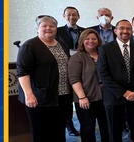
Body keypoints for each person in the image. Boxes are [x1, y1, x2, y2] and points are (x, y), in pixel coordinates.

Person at [17, 15, 70, 142]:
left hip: (62, 96)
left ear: (56, 28)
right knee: (42, 133)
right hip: (40, 98)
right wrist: (29, 94)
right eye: (44, 26)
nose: (48, 28)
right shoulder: (30, 45)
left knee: (59, 130)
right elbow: (22, 72)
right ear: (37, 28)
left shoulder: (61, 43)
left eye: (52, 26)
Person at [98, 20, 134, 142]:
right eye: (121, 28)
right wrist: (124, 93)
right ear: (115, 31)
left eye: (128, 29)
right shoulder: (105, 49)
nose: (125, 31)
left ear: (131, 31)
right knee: (115, 131)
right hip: (114, 97)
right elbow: (104, 75)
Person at [68, 29, 109, 142]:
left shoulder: (103, 54)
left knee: (106, 126)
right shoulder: (77, 57)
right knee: (88, 128)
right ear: (82, 40)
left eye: (94, 39)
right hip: (86, 98)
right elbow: (74, 79)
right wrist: (82, 97)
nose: (91, 41)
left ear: (98, 40)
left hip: (105, 97)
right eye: (87, 39)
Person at [55, 6, 83, 136]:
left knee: (80, 95)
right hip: (64, 68)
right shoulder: (57, 31)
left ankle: (84, 122)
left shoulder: (85, 31)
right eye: (69, 15)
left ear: (78, 16)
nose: (72, 17)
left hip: (81, 67)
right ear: (64, 16)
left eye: (74, 15)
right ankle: (70, 126)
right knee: (66, 100)